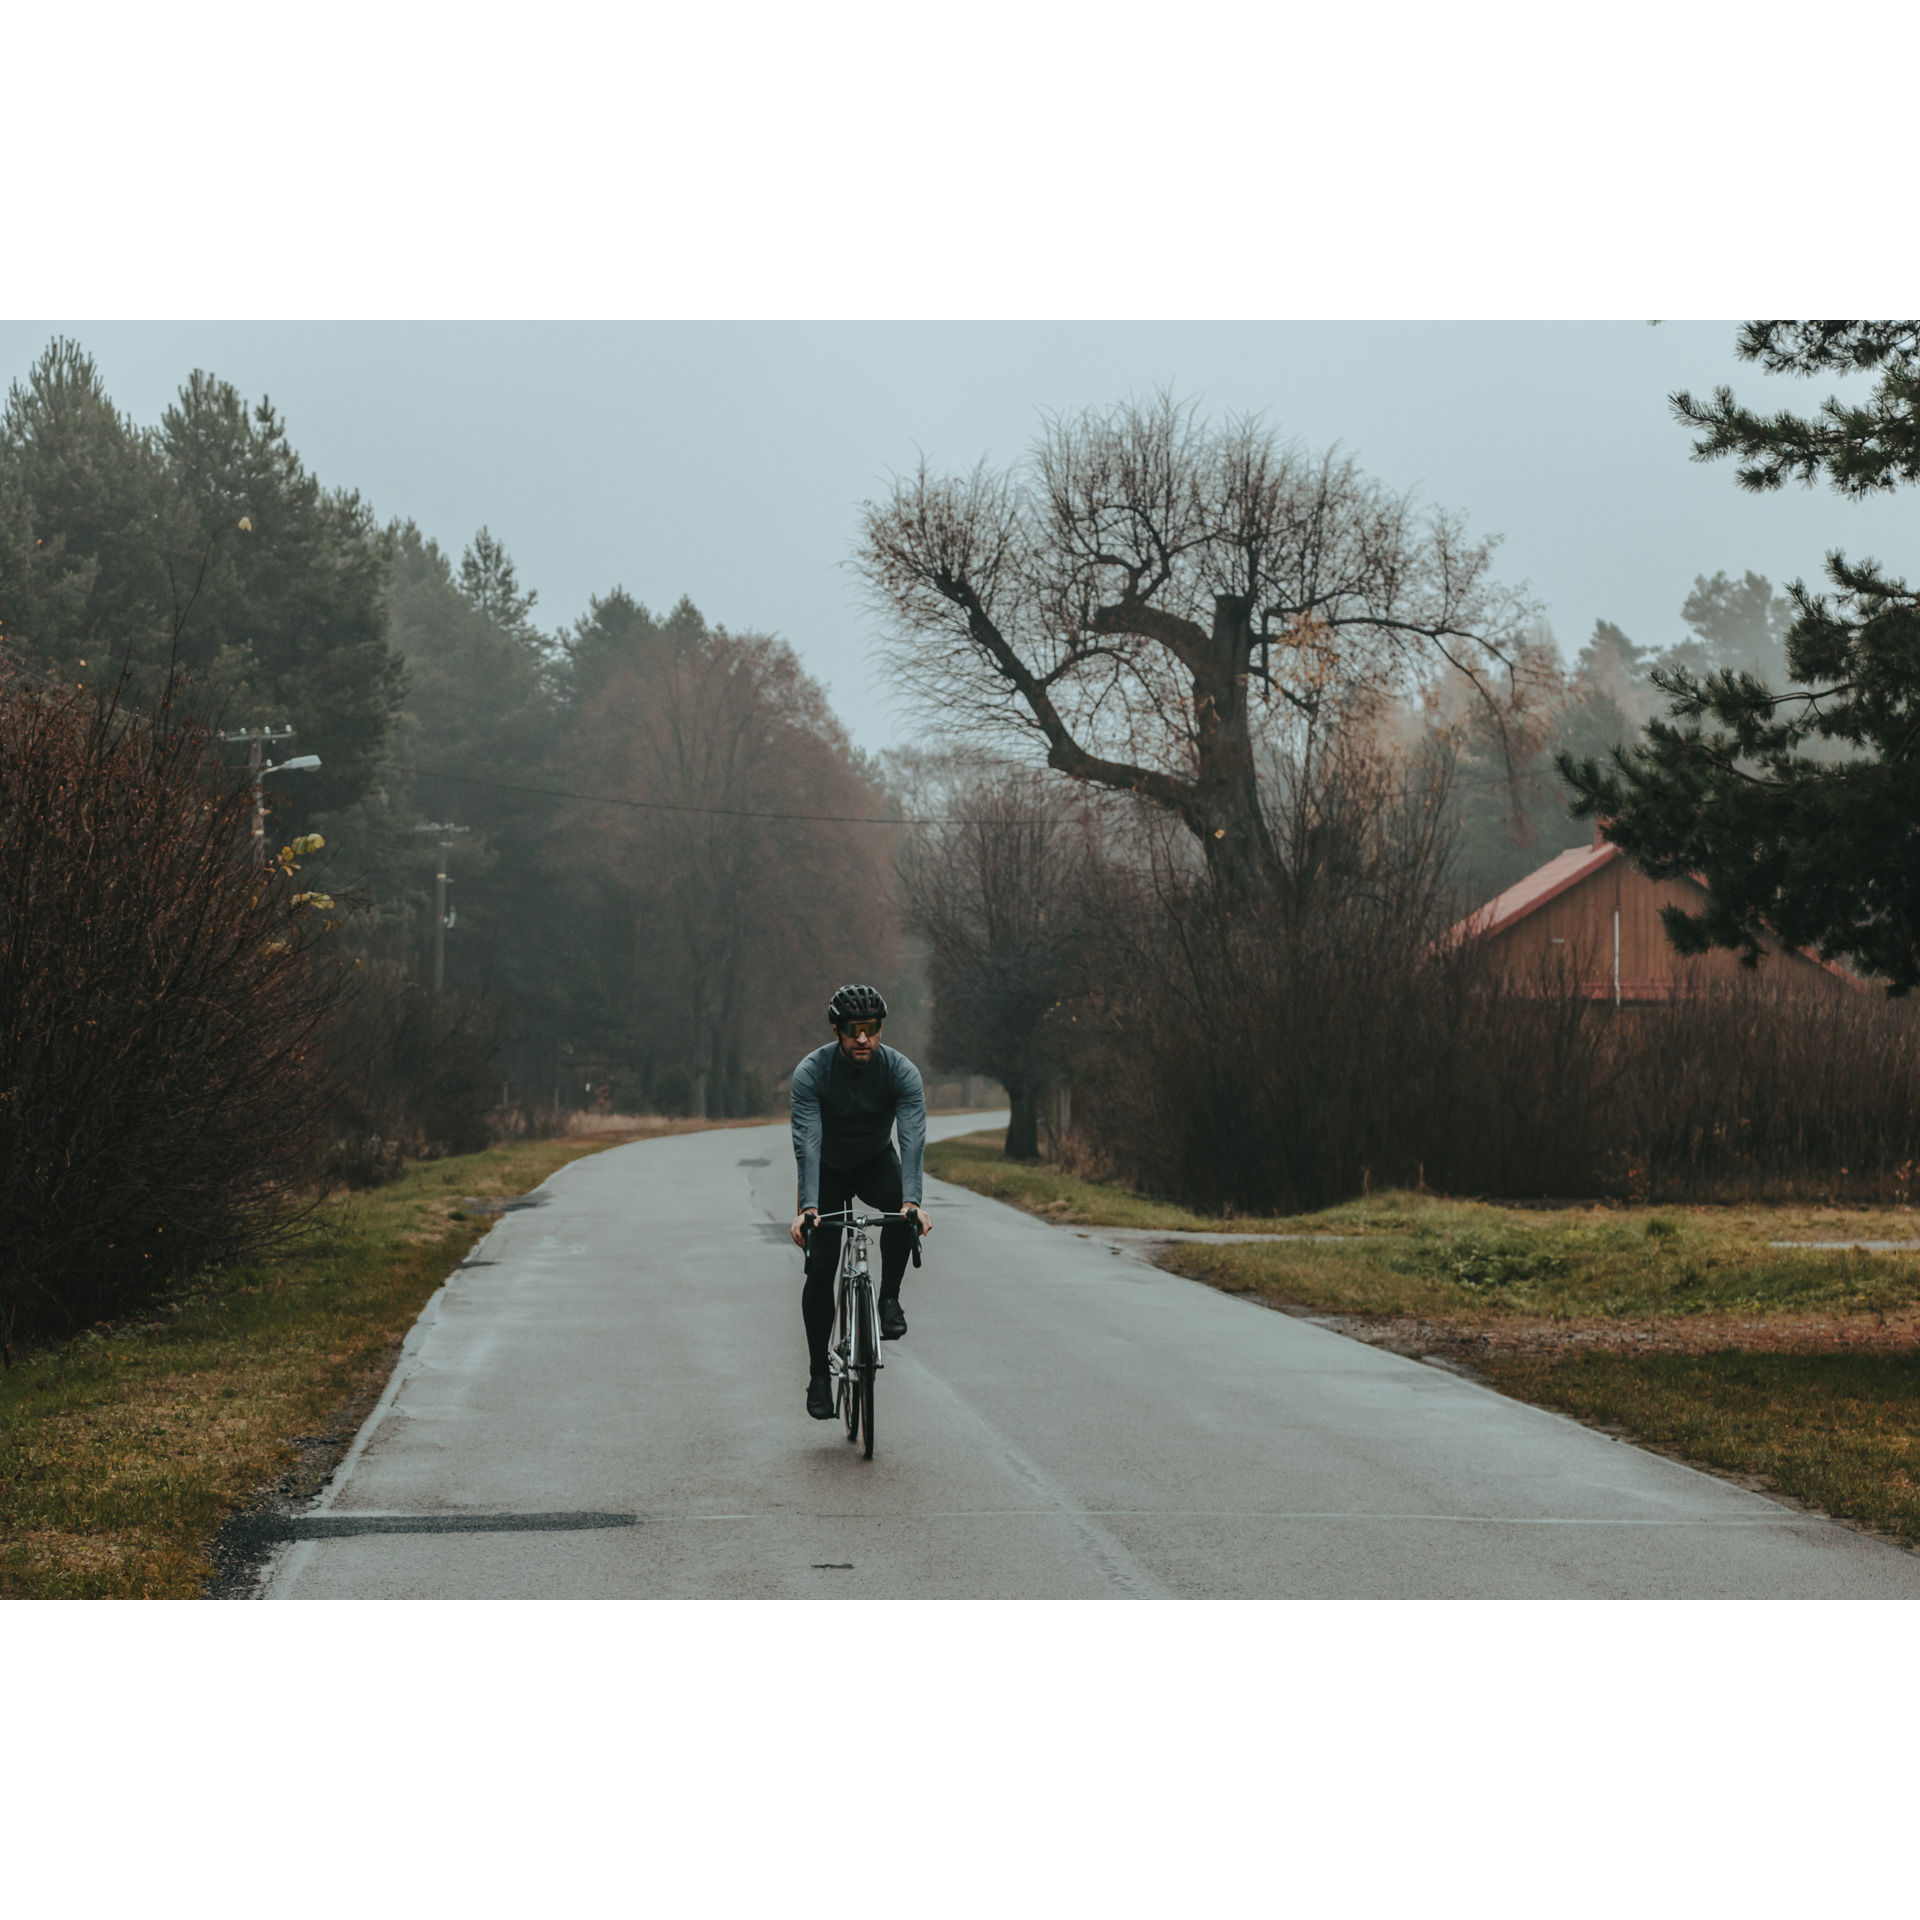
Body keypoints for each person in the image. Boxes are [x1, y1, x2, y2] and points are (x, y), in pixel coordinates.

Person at [789, 983, 933, 1420]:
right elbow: (807, 1144)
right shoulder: (812, 1073)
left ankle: (888, 1298)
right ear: (838, 1031)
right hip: (828, 1171)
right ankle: (818, 1375)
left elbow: (911, 1140)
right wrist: (807, 1208)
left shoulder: (901, 1072)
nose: (862, 1039)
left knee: (899, 1213)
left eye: (870, 1029)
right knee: (820, 1268)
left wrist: (913, 1201)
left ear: (880, 1029)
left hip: (874, 1161)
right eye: (853, 1030)